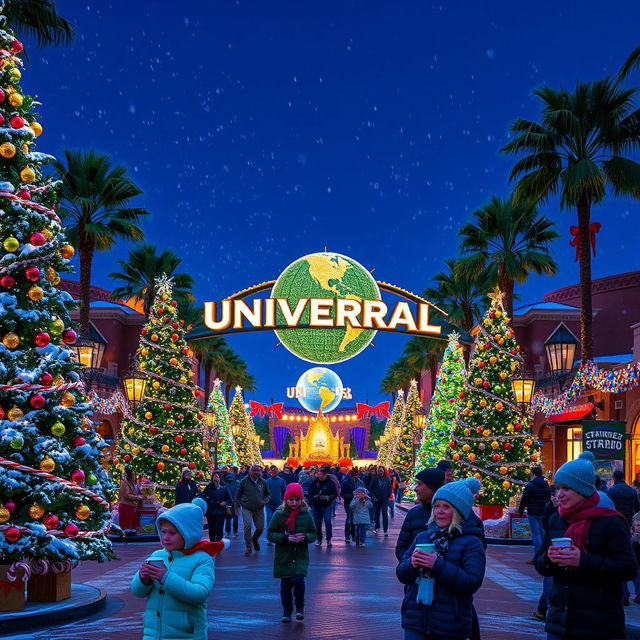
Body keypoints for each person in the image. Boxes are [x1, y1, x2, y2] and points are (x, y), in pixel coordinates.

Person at [535, 451, 638, 640]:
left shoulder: (610, 521)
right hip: (559, 623)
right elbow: (540, 563)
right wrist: (549, 558)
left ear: (582, 490)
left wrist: (582, 560)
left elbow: (628, 569)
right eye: (557, 488)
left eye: (566, 488)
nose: (559, 495)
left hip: (599, 626)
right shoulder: (556, 519)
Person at [396, 477, 486, 640]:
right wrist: (412, 563)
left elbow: (471, 582)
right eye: (436, 506)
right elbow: (402, 574)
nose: (440, 511)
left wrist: (437, 565)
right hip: (415, 619)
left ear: (459, 511)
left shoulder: (471, 542)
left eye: (447, 507)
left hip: (450, 624)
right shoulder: (423, 537)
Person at [131, 498, 227, 640]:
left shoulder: (202, 559)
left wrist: (165, 578)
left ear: (188, 533)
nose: (165, 538)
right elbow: (138, 592)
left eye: (172, 533)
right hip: (154, 633)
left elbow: (199, 594)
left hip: (186, 634)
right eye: (163, 532)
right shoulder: (157, 556)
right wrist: (143, 579)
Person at [266, 483, 317, 622]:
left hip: (300, 555)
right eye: (291, 500)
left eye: (297, 500)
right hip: (284, 555)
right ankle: (287, 611)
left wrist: (305, 537)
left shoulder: (306, 515)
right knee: (286, 585)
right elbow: (270, 534)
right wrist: (284, 538)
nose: (294, 503)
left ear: (301, 500)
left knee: (299, 582)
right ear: (286, 500)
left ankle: (300, 608)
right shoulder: (279, 515)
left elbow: (314, 533)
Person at [395, 468, 446, 561]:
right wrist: (413, 564)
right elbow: (401, 548)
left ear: (432, 487)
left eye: (419, 484)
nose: (415, 488)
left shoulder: (455, 513)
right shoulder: (414, 513)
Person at [235, 464, 271, 555]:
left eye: (258, 471)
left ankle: (254, 539)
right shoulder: (244, 481)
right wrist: (237, 506)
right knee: (248, 526)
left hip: (259, 508)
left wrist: (264, 501)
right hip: (247, 507)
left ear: (260, 472)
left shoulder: (263, 482)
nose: (256, 472)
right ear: (250, 471)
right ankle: (248, 546)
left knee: (260, 528)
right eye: (254, 470)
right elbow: (238, 494)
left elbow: (268, 494)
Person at [519, 466, 551, 563]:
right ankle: (543, 554)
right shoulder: (546, 484)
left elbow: (525, 498)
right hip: (543, 511)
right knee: (542, 533)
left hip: (533, 512)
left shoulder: (530, 485)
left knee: (535, 534)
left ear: (533, 474)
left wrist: (521, 510)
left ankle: (537, 556)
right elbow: (548, 497)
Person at [308, 464, 338, 547]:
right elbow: (310, 493)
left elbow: (335, 494)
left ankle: (329, 539)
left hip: (327, 505)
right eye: (319, 474)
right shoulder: (315, 482)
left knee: (328, 522)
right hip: (317, 505)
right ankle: (319, 539)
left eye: (322, 474)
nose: (320, 476)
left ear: (325, 474)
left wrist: (328, 497)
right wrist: (314, 497)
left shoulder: (330, 482)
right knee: (317, 523)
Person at [201, 472, 232, 542]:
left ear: (220, 479)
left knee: (219, 528)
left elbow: (230, 499)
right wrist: (209, 501)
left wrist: (225, 502)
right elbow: (203, 497)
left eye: (217, 477)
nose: (216, 478)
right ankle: (212, 543)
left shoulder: (224, 488)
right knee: (212, 528)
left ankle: (218, 543)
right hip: (211, 511)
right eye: (214, 477)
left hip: (220, 512)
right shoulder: (208, 488)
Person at [341, 468, 364, 543]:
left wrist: (362, 496)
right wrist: (351, 495)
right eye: (354, 476)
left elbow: (365, 491)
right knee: (349, 519)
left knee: (355, 520)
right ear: (350, 476)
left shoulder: (360, 482)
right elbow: (342, 494)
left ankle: (353, 534)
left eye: (356, 476)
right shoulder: (345, 482)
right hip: (349, 503)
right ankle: (347, 535)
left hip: (358, 503)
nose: (355, 477)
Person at [370, 465, 392, 536]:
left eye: (382, 470)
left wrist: (388, 496)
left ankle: (385, 530)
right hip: (377, 500)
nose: (381, 471)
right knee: (376, 515)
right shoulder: (375, 479)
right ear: (377, 471)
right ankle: (377, 528)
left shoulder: (387, 479)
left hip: (385, 499)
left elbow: (389, 488)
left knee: (384, 513)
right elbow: (371, 489)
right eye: (379, 470)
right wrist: (373, 497)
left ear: (384, 471)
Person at [119, 466, 142, 534]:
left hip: (130, 506)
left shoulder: (130, 483)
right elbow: (126, 495)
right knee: (127, 525)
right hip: (126, 506)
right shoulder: (125, 483)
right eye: (133, 475)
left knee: (131, 525)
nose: (135, 477)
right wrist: (137, 498)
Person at [266, 465, 287, 534]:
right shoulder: (267, 481)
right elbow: (264, 491)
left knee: (278, 518)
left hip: (278, 503)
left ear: (277, 471)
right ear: (270, 472)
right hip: (269, 503)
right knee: (269, 517)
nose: (274, 472)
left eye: (275, 470)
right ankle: (270, 533)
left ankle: (277, 531)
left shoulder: (281, 481)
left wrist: (284, 501)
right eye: (272, 470)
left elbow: (284, 492)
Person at [224, 472, 240, 536]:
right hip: (236, 503)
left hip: (228, 503)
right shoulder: (237, 484)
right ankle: (235, 531)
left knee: (228, 518)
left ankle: (228, 531)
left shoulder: (225, 484)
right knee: (235, 517)